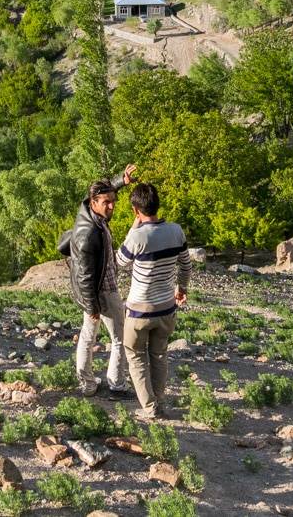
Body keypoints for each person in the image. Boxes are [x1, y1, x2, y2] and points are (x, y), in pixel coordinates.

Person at [115, 180, 191, 420]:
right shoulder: (176, 231)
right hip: (166, 307)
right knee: (159, 355)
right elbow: (186, 265)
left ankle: (149, 408)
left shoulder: (138, 236)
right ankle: (159, 400)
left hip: (139, 310)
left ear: (136, 210)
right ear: (157, 204)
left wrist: (132, 229)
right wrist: (181, 288)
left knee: (135, 356)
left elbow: (120, 260)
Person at [66, 164, 136, 397]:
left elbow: (101, 191)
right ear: (93, 202)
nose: (112, 206)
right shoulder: (89, 234)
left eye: (113, 200)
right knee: (120, 337)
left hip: (98, 291)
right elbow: (85, 276)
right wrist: (92, 306)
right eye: (106, 202)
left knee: (88, 336)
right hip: (102, 291)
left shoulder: (89, 212)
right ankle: (115, 384)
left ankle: (87, 384)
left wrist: (120, 182)